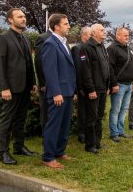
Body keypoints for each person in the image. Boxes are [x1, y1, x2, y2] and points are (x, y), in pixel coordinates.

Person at [0, 8, 38, 165]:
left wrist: (33, 82)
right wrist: (4, 88)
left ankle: (19, 147)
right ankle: (3, 152)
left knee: (21, 118)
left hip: (25, 87)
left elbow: (28, 62)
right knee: (7, 120)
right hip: (11, 88)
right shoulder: (3, 39)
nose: (24, 19)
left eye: (24, 16)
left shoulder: (26, 38)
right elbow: (0, 65)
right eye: (20, 17)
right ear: (10, 20)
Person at [41, 14, 76, 169]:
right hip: (58, 93)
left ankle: (59, 151)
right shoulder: (50, 43)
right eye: (66, 24)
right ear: (57, 26)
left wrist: (73, 90)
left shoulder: (64, 43)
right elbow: (50, 71)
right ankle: (48, 157)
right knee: (54, 125)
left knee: (64, 125)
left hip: (68, 91)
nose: (69, 26)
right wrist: (56, 92)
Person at [80, 24, 110, 154]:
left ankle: (97, 142)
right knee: (91, 117)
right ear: (93, 33)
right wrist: (90, 89)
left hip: (103, 88)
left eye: (104, 30)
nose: (104, 32)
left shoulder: (102, 46)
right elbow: (85, 71)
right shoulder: (86, 48)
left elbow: (107, 67)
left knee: (99, 117)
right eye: (101, 30)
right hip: (93, 89)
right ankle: (90, 144)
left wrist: (109, 85)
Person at [107, 28, 133, 142]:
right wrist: (113, 84)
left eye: (128, 35)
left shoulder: (128, 48)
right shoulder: (112, 48)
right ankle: (114, 133)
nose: (127, 37)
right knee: (115, 109)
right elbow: (110, 67)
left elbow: (131, 66)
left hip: (129, 84)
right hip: (118, 84)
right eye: (125, 35)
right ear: (117, 35)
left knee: (124, 109)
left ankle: (121, 130)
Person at [71, 26, 93, 143]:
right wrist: (78, 88)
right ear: (84, 36)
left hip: (91, 85)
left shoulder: (91, 48)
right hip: (82, 86)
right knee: (82, 110)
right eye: (90, 34)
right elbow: (77, 69)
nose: (92, 37)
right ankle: (81, 133)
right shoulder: (77, 49)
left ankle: (89, 131)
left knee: (90, 110)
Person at [34, 26, 52, 133]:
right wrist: (42, 83)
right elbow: (39, 61)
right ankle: (46, 136)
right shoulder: (43, 38)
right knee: (46, 110)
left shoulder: (62, 39)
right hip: (46, 83)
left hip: (58, 83)